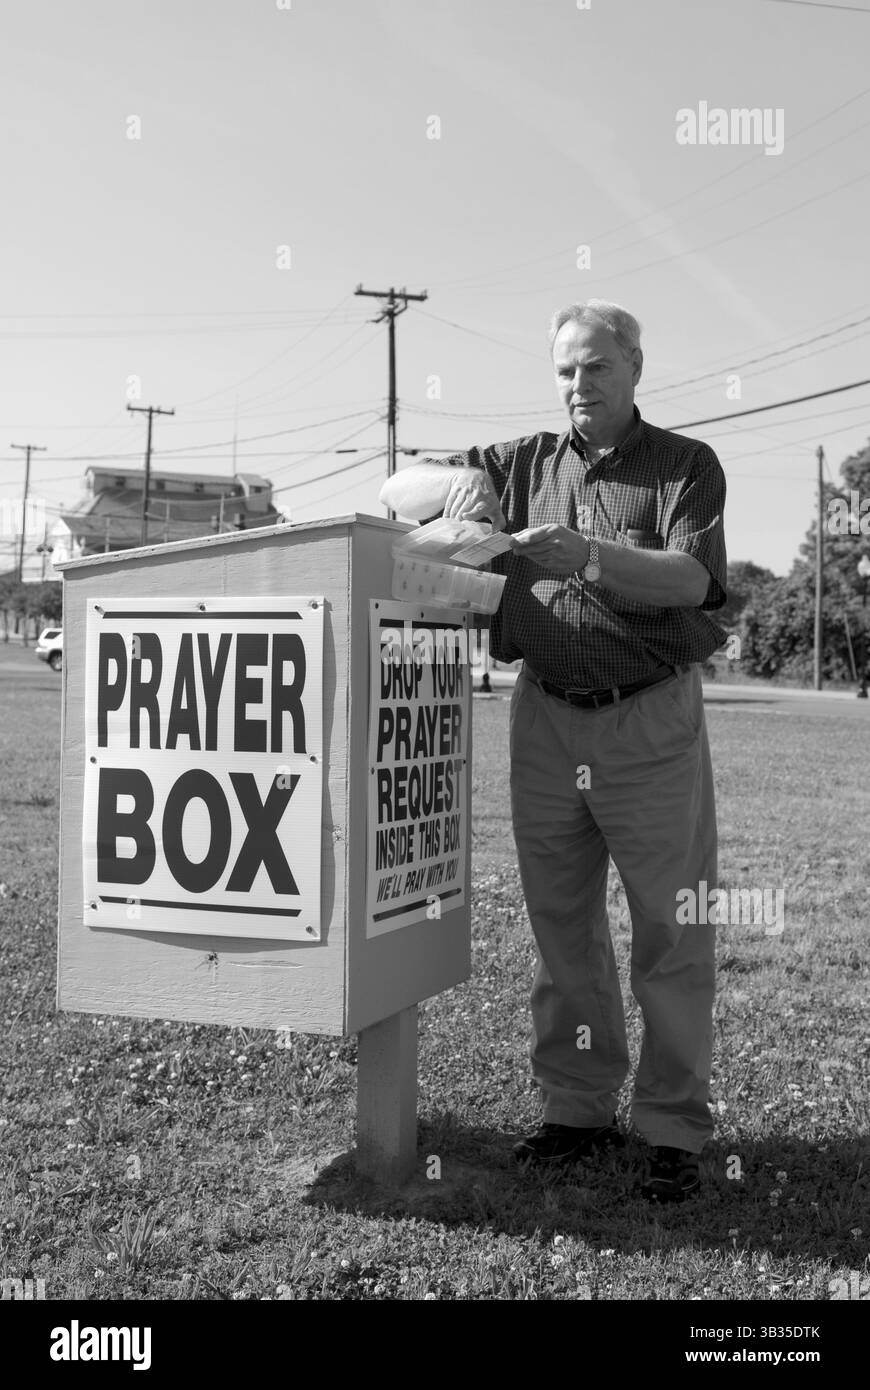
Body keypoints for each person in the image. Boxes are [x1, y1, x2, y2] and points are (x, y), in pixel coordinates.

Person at [384, 299, 727, 1202]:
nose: (580, 384)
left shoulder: (684, 466)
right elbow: (406, 486)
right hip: (544, 715)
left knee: (673, 926)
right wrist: (461, 493)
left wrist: (589, 556)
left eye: (597, 367)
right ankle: (577, 1110)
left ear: (636, 369)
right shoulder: (518, 461)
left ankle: (673, 1127)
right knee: (562, 927)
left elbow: (693, 578)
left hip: (649, 718)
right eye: (567, 370)